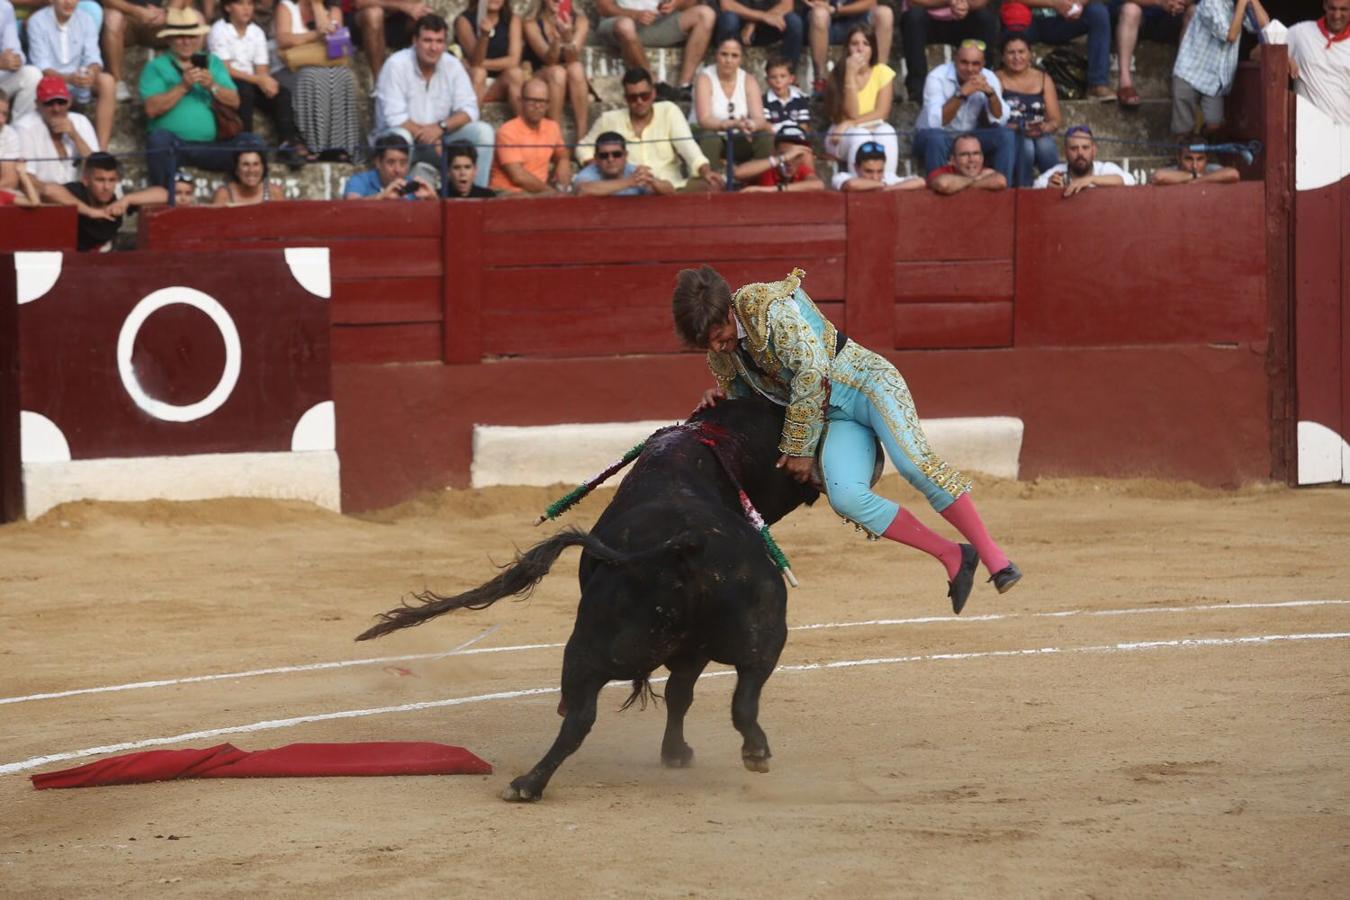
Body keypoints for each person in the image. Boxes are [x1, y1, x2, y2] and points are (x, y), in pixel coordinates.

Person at [673, 266, 1021, 614]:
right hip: (835, 420)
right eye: (707, 342)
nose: (717, 346)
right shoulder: (722, 354)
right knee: (847, 498)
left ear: (727, 311)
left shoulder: (763, 305)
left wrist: (800, 450)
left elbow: (812, 372)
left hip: (869, 384)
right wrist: (719, 398)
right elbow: (753, 404)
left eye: (718, 333)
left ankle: (997, 560)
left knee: (915, 466)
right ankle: (954, 555)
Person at [140, 9, 260, 190]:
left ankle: (252, 200)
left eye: (192, 36)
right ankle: (163, 197)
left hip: (214, 145)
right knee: (158, 140)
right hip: (175, 145)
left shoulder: (213, 62)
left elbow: (235, 101)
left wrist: (212, 86)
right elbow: (151, 109)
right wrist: (183, 87)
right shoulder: (155, 67)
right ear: (169, 39)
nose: (186, 42)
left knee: (252, 142)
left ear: (200, 38)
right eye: (180, 37)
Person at [373, 13, 494, 184]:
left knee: (483, 132)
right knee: (400, 136)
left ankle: (475, 198)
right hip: (405, 141)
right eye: (427, 40)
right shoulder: (396, 65)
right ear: (415, 41)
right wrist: (431, 137)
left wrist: (441, 128)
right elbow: (395, 118)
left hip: (440, 137)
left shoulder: (452, 64)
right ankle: (396, 195)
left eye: (439, 41)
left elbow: (469, 109)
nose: (433, 48)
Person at [577, 67, 724, 191]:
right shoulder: (608, 119)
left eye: (644, 96)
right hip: (629, 190)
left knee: (711, 185)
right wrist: (606, 169)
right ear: (625, 98)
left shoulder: (668, 110)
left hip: (671, 188)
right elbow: (583, 148)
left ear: (653, 93)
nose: (639, 102)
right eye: (633, 98)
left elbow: (688, 147)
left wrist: (705, 171)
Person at [210, 0, 308, 162]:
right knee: (245, 91)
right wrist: (259, 79)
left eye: (249, 4)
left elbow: (262, 68)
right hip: (228, 81)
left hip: (251, 79)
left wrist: (265, 82)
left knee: (282, 94)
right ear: (228, 7)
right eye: (240, 4)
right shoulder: (219, 30)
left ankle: (286, 145)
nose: (246, 9)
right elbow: (225, 69)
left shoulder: (256, 32)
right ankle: (244, 144)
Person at [913, 38, 1015, 181]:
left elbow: (1000, 118)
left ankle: (1002, 192)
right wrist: (961, 94)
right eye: (964, 62)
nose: (969, 69)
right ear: (955, 60)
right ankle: (938, 193)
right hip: (933, 135)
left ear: (983, 64)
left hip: (969, 137)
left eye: (975, 64)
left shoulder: (989, 77)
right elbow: (937, 121)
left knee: (1006, 135)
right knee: (937, 138)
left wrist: (991, 95)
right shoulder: (937, 77)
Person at [275, 0, 362, 162]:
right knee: (311, 76)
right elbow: (284, 40)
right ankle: (313, 144)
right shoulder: (286, 6)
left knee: (343, 75)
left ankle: (339, 144)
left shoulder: (333, 10)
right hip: (289, 68)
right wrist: (315, 35)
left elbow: (336, 43)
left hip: (323, 64)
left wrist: (317, 7)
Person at [1171, 0, 1270, 137]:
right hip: (1191, 71)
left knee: (1214, 125)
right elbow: (1230, 36)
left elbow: (1265, 25)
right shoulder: (1210, 3)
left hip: (1215, 80)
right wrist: (1241, 4)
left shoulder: (1235, 6)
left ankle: (1199, 144)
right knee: (1183, 130)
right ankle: (1185, 152)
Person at [25, 0, 115, 150]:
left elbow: (93, 58)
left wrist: (91, 73)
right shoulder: (37, 21)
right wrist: (69, 79)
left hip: (80, 80)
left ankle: (102, 151)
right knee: (34, 76)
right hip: (50, 83)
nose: (68, 2)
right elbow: (42, 66)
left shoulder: (86, 19)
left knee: (107, 81)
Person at [594, 0, 716, 101]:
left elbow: (691, 3)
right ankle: (654, 84)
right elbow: (603, 7)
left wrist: (675, 4)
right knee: (626, 26)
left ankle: (684, 86)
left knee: (706, 14)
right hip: (618, 21)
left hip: (656, 23)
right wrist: (634, 14)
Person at [44, 151, 167, 251]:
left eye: (111, 180)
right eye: (100, 180)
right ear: (86, 180)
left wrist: (127, 200)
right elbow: (47, 190)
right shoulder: (77, 192)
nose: (106, 187)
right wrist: (89, 211)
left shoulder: (118, 197)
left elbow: (164, 195)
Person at [1000, 0, 1115, 101]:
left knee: (1098, 12)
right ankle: (1009, 86)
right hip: (1027, 18)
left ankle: (1097, 84)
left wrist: (1076, 4)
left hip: (1063, 20)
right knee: (1013, 26)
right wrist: (1054, 3)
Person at [690, 36, 773, 174]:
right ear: (716, 55)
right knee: (710, 137)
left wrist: (751, 125)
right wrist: (732, 124)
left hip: (736, 138)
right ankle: (712, 183)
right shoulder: (704, 78)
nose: (728, 60)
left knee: (764, 136)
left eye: (734, 56)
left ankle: (759, 180)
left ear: (741, 59)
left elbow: (760, 118)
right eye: (724, 54)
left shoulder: (748, 80)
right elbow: (704, 120)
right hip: (706, 136)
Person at [824, 26, 898, 176]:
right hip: (840, 136)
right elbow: (852, 113)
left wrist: (850, 123)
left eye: (866, 44)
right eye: (854, 44)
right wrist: (850, 74)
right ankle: (859, 184)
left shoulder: (882, 71)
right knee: (860, 135)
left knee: (887, 131)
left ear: (873, 49)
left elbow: (882, 113)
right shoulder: (837, 73)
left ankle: (887, 181)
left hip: (865, 126)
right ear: (847, 48)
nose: (860, 49)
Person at [900, 0, 1000, 102]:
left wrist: (967, 5)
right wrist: (950, 2)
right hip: (926, 20)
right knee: (913, 17)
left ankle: (982, 82)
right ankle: (917, 90)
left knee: (985, 18)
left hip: (962, 18)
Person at [997, 33, 1061, 186]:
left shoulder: (1043, 78)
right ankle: (1023, 190)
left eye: (1021, 52)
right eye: (1011, 52)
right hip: (1011, 132)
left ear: (1030, 54)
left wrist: (1045, 126)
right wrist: (1018, 128)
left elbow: (1056, 120)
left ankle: (1056, 188)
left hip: (1038, 132)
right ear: (1002, 57)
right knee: (1026, 148)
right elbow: (993, 119)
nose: (1017, 57)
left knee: (1046, 147)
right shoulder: (996, 78)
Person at [490, 76, 572, 193]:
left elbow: (562, 151)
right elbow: (518, 176)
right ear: (522, 101)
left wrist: (564, 161)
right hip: (508, 192)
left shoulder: (552, 127)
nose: (537, 106)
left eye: (542, 101)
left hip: (536, 192)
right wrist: (550, 193)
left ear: (548, 104)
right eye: (532, 100)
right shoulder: (507, 131)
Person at [522, 0, 591, 135]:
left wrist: (568, 39)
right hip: (542, 75)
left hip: (570, 78)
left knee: (576, 68)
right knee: (557, 72)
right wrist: (558, 40)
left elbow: (571, 58)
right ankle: (554, 135)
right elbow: (549, 60)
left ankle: (582, 136)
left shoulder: (581, 21)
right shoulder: (531, 24)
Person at [102, 0, 195, 98]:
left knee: (197, 18)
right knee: (113, 17)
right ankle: (117, 82)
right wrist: (137, 11)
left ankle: (195, 76)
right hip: (127, 18)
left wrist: (167, 13)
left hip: (157, 20)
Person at [17, 74, 98, 186]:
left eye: (61, 102)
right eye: (49, 103)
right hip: (45, 194)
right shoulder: (25, 127)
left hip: (78, 191)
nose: (56, 109)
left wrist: (75, 136)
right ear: (37, 104)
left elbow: (98, 168)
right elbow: (28, 178)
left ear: (69, 102)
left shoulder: (81, 121)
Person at [1113, 0, 1195, 107]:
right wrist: (1160, 2)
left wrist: (1178, 2)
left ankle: (1184, 83)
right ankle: (1125, 84)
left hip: (1175, 15)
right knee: (1130, 10)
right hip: (1141, 15)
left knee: (1195, 12)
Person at [805, 0, 893, 98]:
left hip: (859, 19)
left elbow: (870, 2)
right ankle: (820, 80)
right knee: (819, 14)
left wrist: (837, 10)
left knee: (885, 13)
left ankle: (880, 78)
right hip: (828, 23)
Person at [455, 0, 526, 118]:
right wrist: (484, 36)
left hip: (499, 82)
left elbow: (513, 60)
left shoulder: (512, 20)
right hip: (473, 81)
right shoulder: (464, 20)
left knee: (516, 73)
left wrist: (477, 64)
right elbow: (476, 60)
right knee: (479, 73)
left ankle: (526, 129)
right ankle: (471, 126)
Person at [1285, 0, 1350, 124]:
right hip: (1306, 130)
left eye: (1343, 9)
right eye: (1332, 8)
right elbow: (1256, 53)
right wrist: (1282, 57)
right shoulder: (1301, 32)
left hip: (1345, 132)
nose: (1337, 15)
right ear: (1324, 5)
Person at [1033, 124, 1136, 193]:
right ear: (1065, 152)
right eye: (1074, 148)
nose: (1080, 153)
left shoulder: (1104, 169)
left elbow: (1130, 180)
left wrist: (1091, 180)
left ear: (1094, 150)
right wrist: (1049, 189)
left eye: (1085, 147)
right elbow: (1036, 186)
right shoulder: (1057, 172)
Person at [345, 0, 432, 79]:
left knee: (424, 18)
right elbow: (359, 3)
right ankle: (380, 84)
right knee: (374, 13)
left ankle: (422, 80)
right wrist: (403, 5)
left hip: (393, 19)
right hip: (361, 20)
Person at [573, 129, 675, 195]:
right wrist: (630, 182)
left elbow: (671, 192)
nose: (610, 159)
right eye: (604, 155)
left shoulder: (634, 172)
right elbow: (583, 190)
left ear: (625, 156)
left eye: (616, 154)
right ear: (596, 158)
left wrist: (652, 181)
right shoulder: (589, 172)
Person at [342, 129, 436, 198]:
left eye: (403, 163)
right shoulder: (359, 180)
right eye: (391, 163)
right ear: (378, 162)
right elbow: (352, 204)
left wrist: (432, 198)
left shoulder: (412, 186)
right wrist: (382, 197)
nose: (397, 170)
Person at [735, 124, 825, 191]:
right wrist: (782, 158)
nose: (789, 162)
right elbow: (738, 173)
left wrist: (773, 190)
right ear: (774, 152)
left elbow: (818, 185)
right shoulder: (767, 167)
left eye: (796, 156)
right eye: (785, 154)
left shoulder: (800, 170)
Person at [714, 0, 805, 65]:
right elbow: (726, 5)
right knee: (729, 19)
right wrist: (762, 16)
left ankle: (788, 76)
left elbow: (787, 5)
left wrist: (754, 23)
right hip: (739, 25)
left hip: (769, 24)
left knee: (793, 21)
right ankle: (727, 71)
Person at [0, 0, 42, 121]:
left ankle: (20, 131)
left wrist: (15, 60)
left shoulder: (4, 6)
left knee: (32, 74)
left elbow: (14, 48)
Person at [927, 130, 1009, 192]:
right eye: (964, 154)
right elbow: (943, 184)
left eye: (976, 153)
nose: (971, 159)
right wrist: (977, 179)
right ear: (953, 160)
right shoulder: (942, 172)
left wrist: (959, 184)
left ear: (982, 158)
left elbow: (1001, 181)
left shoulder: (985, 171)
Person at [832, 139, 926, 190]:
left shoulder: (889, 178)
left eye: (880, 171)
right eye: (868, 171)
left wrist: (889, 188)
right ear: (856, 167)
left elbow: (920, 181)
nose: (875, 177)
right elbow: (852, 185)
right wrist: (883, 185)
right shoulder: (842, 177)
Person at [210, 147, 284, 204]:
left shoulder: (274, 192)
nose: (251, 170)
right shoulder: (224, 194)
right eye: (245, 164)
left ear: (263, 168)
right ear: (236, 170)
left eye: (255, 164)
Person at [1149, 138, 1240, 183]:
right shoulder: (1174, 170)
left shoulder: (1212, 168)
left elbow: (1233, 174)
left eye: (1200, 159)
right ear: (1179, 158)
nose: (1195, 165)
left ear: (1207, 158)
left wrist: (1197, 180)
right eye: (1189, 159)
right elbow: (1158, 176)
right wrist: (1194, 176)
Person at [762, 55, 811, 134]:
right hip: (776, 138)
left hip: (797, 138)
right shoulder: (764, 101)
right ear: (767, 80)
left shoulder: (800, 100)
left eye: (783, 76)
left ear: (791, 79)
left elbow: (804, 125)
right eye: (773, 77)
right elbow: (766, 125)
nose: (778, 81)